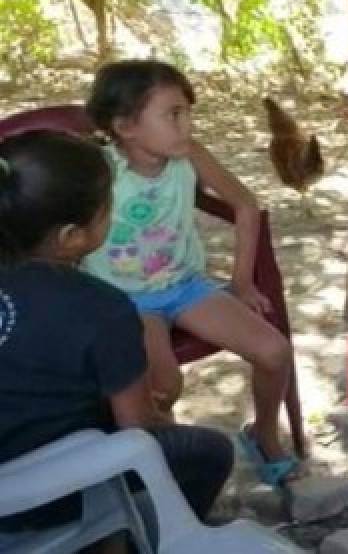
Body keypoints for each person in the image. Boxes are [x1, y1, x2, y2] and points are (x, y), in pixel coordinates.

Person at [0, 130, 232, 540]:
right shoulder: (102, 308)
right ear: (71, 237)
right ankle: (136, 538)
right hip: (47, 492)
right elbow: (136, 426)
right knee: (209, 451)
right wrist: (156, 412)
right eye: (109, 208)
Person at [81, 60, 297, 485]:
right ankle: (167, 471)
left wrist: (240, 282)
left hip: (184, 286)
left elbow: (246, 206)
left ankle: (264, 435)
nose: (187, 125)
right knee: (164, 386)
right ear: (125, 127)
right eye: (173, 115)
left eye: (188, 112)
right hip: (125, 300)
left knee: (274, 352)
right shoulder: (101, 171)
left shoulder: (191, 156)